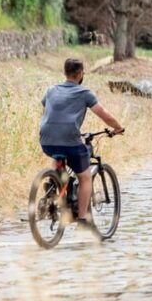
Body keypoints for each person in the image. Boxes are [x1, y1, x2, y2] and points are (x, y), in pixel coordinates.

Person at [39, 58, 125, 235]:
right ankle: (83, 218)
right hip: (70, 140)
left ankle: (53, 183)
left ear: (65, 72)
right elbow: (103, 114)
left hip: (46, 139)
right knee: (85, 177)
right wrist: (117, 127)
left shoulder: (51, 90)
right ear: (80, 74)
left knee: (58, 157)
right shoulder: (84, 92)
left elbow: (47, 111)